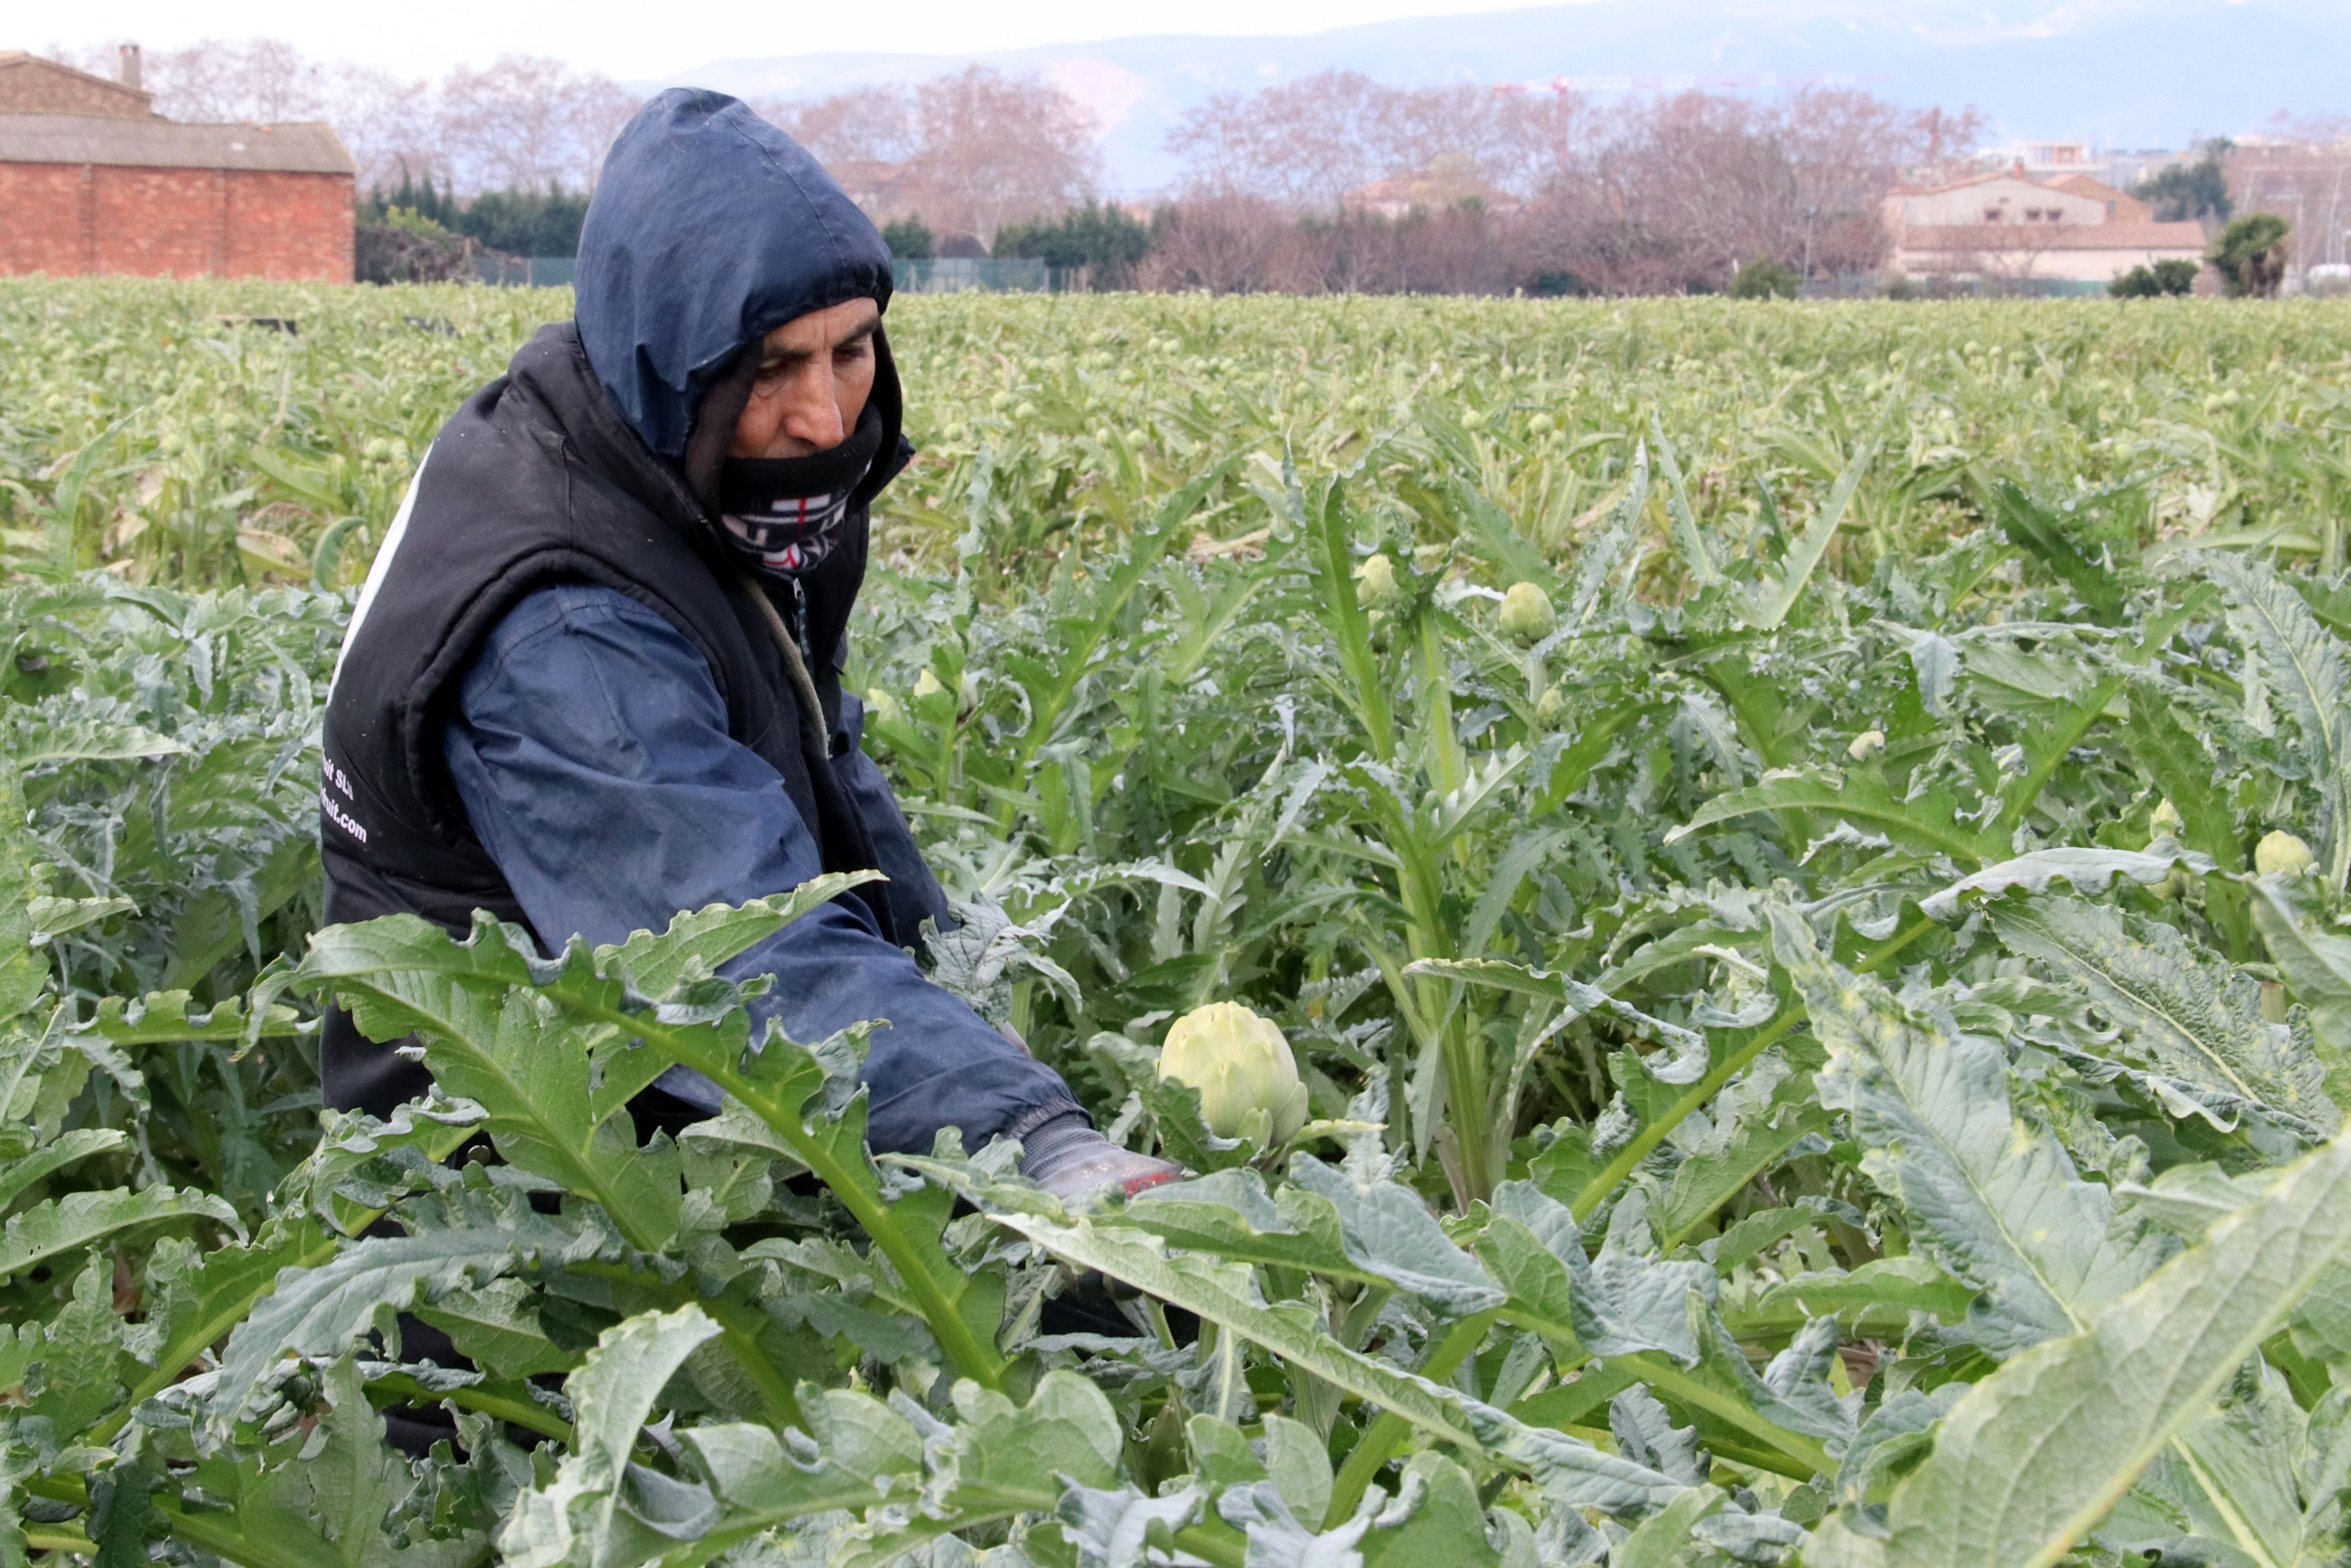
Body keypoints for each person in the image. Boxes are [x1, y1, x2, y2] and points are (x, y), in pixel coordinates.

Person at [318, 89, 1179, 1205]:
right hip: (528, 1235)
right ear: (674, 359)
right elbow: (731, 954)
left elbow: (817, 762)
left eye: (853, 350)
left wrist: (954, 1004)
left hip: (693, 1135)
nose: (824, 416)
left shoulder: (681, 465)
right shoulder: (564, 636)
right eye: (771, 369)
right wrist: (1034, 1142)